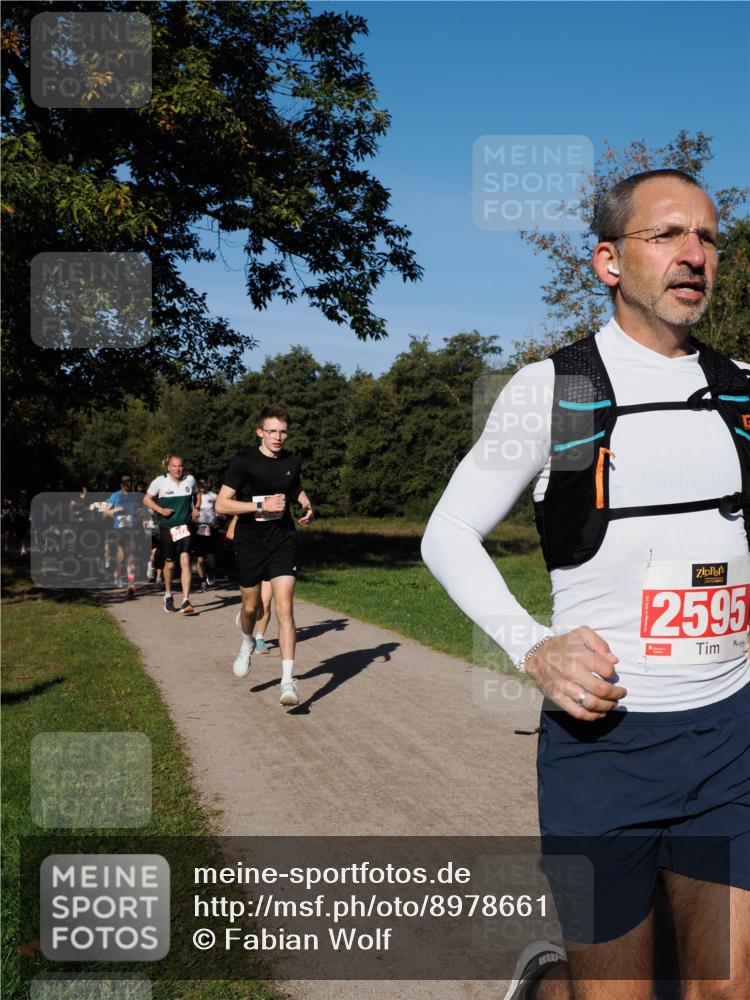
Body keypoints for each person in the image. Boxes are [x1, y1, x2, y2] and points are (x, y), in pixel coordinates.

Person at [422, 169, 749, 1000]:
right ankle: (547, 982)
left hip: (730, 739)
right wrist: (533, 647)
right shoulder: (552, 392)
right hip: (605, 749)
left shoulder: (744, 390)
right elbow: (448, 533)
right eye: (667, 234)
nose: (694, 254)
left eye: (708, 237)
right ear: (608, 261)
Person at [216, 405, 314, 706]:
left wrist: (306, 503)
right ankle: (246, 642)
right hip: (250, 542)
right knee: (251, 608)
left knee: (285, 608)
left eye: (283, 432)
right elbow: (222, 505)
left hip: (282, 541)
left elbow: (292, 485)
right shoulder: (244, 462)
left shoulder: (292, 460)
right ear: (261, 432)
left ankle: (288, 682)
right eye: (272, 431)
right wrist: (260, 507)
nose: (278, 437)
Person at [144, 455, 200, 614]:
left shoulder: (190, 480)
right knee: (169, 564)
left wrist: (197, 508)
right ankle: (168, 595)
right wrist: (161, 510)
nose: (177, 469)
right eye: (174, 466)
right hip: (167, 528)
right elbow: (147, 499)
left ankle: (186, 600)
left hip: (185, 526)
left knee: (185, 558)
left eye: (180, 466)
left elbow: (198, 495)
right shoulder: (160, 481)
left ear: (184, 467)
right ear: (168, 467)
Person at [104, 475, 141, 595]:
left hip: (132, 528)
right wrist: (115, 510)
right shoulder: (115, 495)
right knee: (122, 556)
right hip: (119, 529)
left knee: (131, 555)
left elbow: (139, 510)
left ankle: (131, 583)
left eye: (129, 482)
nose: (128, 484)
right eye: (125, 482)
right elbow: (105, 512)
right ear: (121, 484)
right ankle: (118, 575)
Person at [194, 475, 219, 591]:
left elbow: (219, 510)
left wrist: (216, 519)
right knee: (199, 559)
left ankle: (210, 572)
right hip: (197, 528)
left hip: (210, 528)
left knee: (210, 558)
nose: (202, 486)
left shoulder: (214, 496)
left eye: (204, 483)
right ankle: (202, 580)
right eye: (200, 484)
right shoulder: (193, 498)